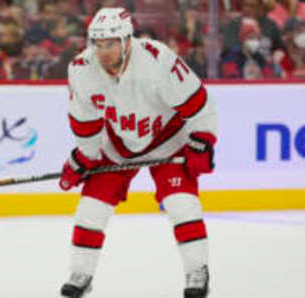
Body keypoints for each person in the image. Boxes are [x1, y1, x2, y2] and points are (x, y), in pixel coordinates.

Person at [58, 7, 217, 298]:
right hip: (118, 146)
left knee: (181, 203)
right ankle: (81, 272)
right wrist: (85, 156)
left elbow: (199, 103)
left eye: (111, 43)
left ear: (127, 41)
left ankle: (197, 271)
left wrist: (203, 139)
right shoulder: (81, 69)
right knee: (92, 207)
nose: (103, 51)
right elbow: (86, 123)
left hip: (169, 140)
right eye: (98, 44)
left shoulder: (157, 60)